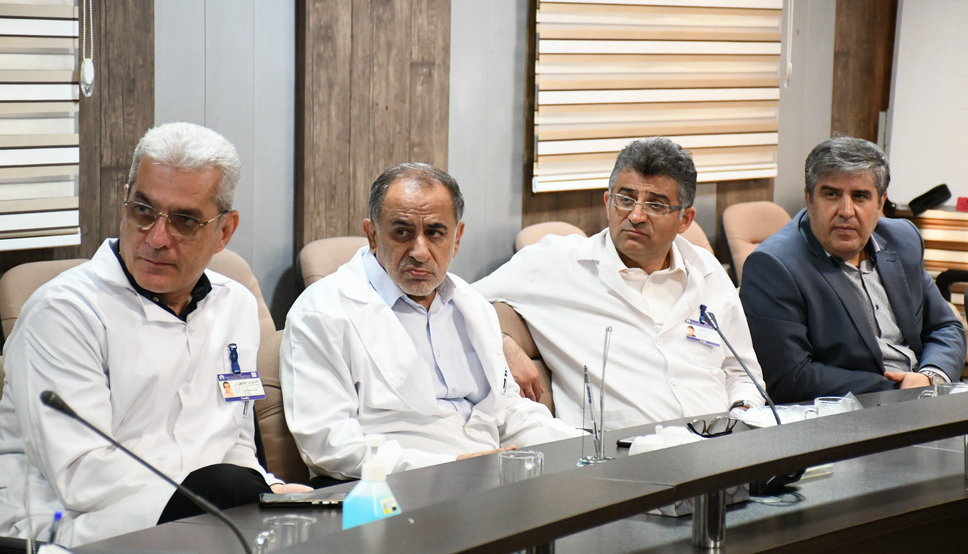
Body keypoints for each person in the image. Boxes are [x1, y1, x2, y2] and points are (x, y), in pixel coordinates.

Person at [0, 123, 308, 547]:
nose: (157, 238)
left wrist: (265, 488)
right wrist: (217, 493)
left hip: (208, 511)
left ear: (224, 231)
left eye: (185, 221)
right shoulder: (64, 312)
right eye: (144, 212)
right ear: (125, 203)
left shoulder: (235, 304)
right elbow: (81, 475)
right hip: (72, 525)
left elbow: (235, 440)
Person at [281, 163, 577, 483]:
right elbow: (328, 444)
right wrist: (450, 467)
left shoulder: (471, 305)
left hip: (489, 478)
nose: (420, 252)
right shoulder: (322, 313)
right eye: (402, 232)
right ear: (372, 235)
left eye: (435, 233)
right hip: (398, 489)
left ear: (457, 238)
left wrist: (585, 449)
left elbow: (508, 413)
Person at [474, 137, 766, 431]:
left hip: (720, 443)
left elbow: (741, 373)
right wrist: (502, 343)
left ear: (685, 220)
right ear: (607, 202)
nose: (636, 216)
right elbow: (456, 300)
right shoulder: (556, 263)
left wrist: (743, 414)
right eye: (625, 200)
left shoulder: (707, 272)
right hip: (625, 452)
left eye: (655, 205)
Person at [739, 136, 966, 405]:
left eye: (860, 196)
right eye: (831, 194)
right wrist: (904, 389)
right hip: (848, 414)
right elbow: (790, 378)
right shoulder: (774, 266)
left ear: (880, 202)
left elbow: (945, 326)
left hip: (925, 396)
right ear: (809, 198)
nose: (846, 211)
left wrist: (931, 376)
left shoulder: (903, 239)